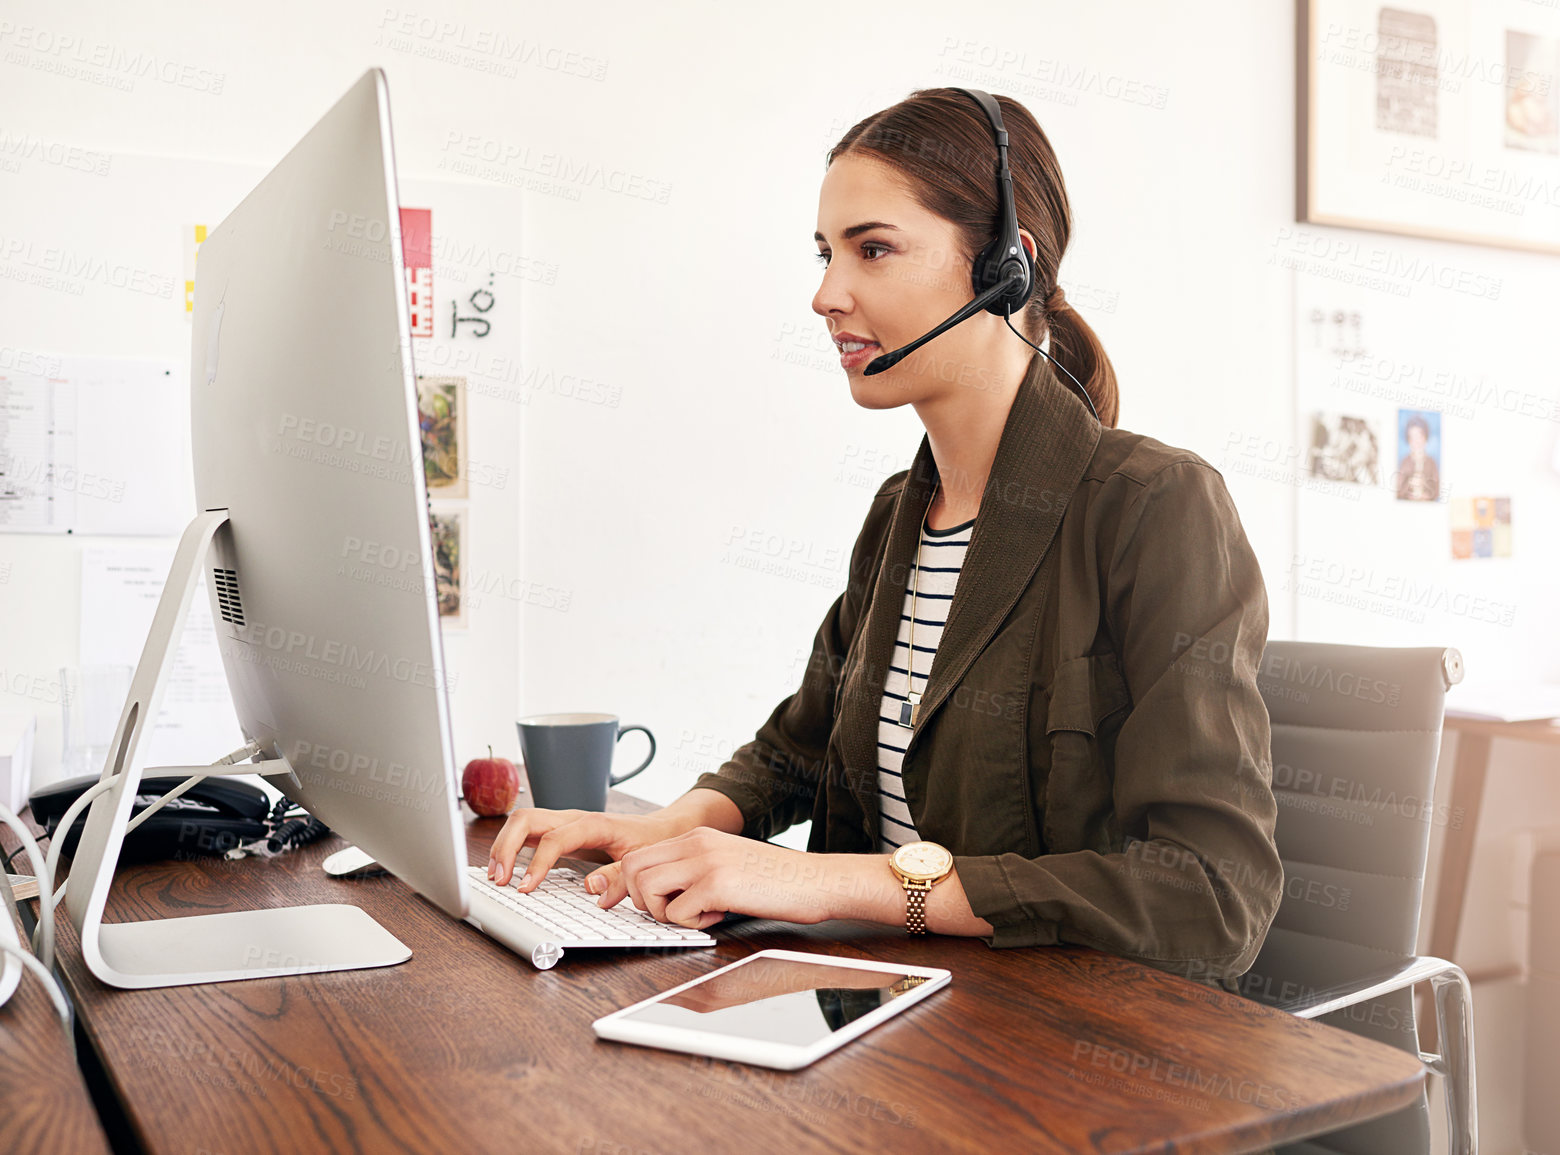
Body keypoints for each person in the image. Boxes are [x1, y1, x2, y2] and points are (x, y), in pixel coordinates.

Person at [488, 88, 1282, 992]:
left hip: (1061, 1046)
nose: (827, 294)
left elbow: (1212, 897)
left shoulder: (1153, 506)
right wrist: (668, 825)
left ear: (1004, 269)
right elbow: (800, 745)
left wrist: (835, 882)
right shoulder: (902, 509)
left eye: (873, 249)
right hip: (892, 1016)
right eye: (827, 255)